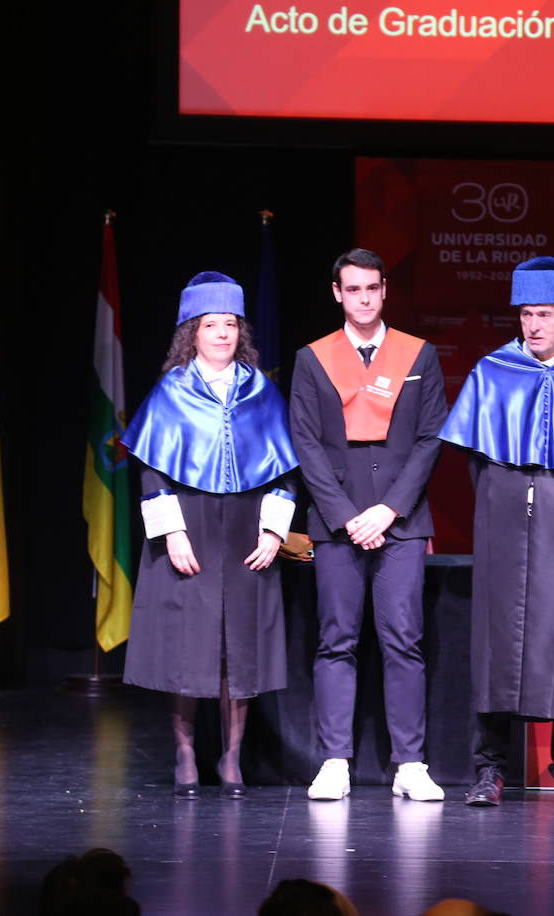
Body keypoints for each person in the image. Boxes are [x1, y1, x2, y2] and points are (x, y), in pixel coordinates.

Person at [440, 256, 554, 809]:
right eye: (526, 314)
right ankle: (489, 766)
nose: (535, 325)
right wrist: (506, 494)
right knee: (496, 636)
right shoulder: (492, 371)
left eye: (546, 314)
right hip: (500, 510)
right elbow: (474, 458)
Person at [122, 272, 299, 800]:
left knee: (237, 647)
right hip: (189, 526)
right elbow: (152, 471)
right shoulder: (171, 391)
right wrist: (171, 533)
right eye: (209, 325)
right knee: (187, 644)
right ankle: (183, 752)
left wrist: (274, 531)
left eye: (229, 325)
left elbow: (285, 469)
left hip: (246, 530)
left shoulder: (261, 389)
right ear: (191, 333)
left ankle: (231, 755)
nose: (221, 334)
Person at [290, 249, 448, 802]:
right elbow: (305, 444)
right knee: (336, 640)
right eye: (352, 289)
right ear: (337, 293)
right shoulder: (312, 359)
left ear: (385, 291)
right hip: (337, 523)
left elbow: (431, 439)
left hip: (399, 522)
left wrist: (389, 509)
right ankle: (335, 759)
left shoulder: (419, 356)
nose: (363, 298)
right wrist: (346, 514)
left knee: (403, 640)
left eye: (372, 289)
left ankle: (410, 763)